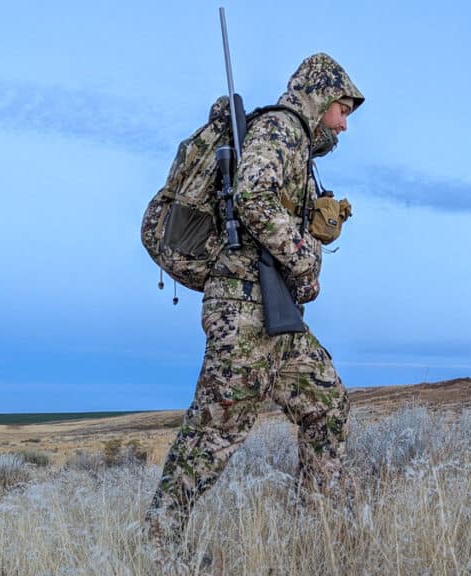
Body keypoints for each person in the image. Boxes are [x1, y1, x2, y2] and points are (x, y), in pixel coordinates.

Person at [145, 52, 365, 546]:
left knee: (326, 406)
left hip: (276, 316)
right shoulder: (281, 130)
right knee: (212, 437)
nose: (345, 124)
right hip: (244, 314)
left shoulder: (301, 149)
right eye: (342, 110)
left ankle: (317, 530)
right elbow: (253, 198)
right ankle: (156, 548)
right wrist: (304, 256)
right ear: (320, 97)